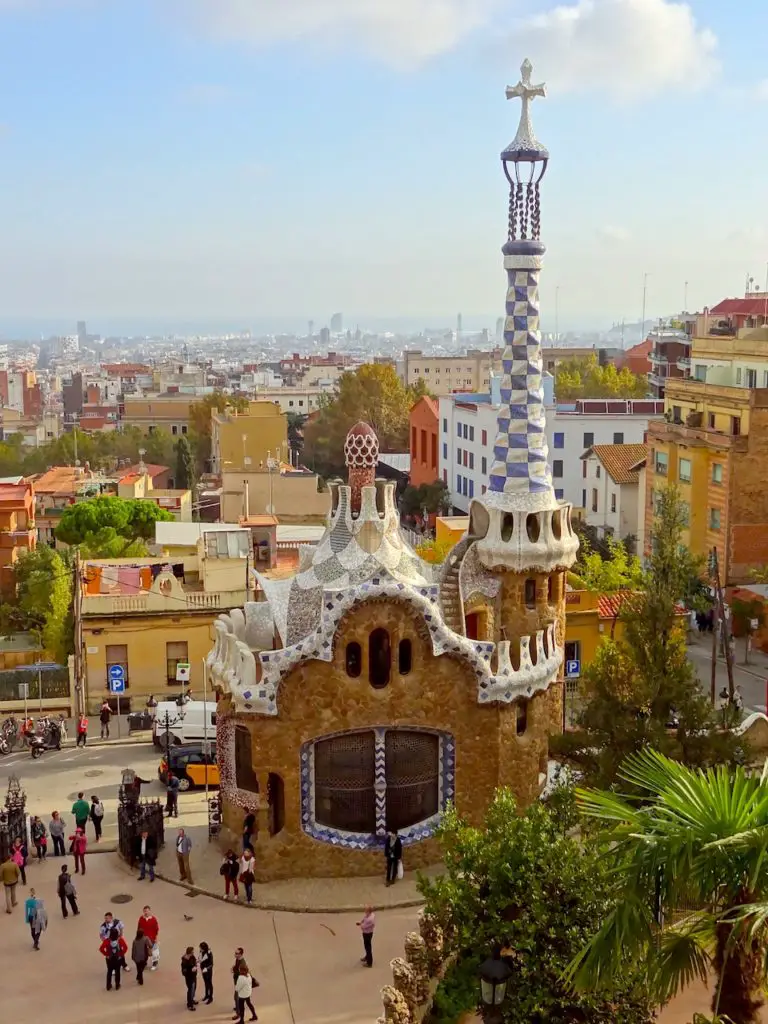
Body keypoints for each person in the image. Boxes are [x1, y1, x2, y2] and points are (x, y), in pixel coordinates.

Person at [100, 925, 127, 991]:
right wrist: (121, 954)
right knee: (117, 972)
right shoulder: (120, 940)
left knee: (109, 972)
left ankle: (108, 985)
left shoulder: (107, 941)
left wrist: (106, 954)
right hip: (118, 959)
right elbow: (126, 947)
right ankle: (117, 985)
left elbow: (101, 949)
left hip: (109, 959)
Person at [138, 905, 160, 970]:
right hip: (143, 939)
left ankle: (155, 964)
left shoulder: (153, 919)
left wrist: (156, 938)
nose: (146, 912)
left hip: (151, 938)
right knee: (144, 952)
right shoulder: (141, 919)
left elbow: (156, 929)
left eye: (147, 911)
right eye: (144, 911)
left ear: (150, 911)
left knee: (154, 952)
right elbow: (139, 928)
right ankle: (144, 963)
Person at [181, 946, 198, 1011]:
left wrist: (196, 964)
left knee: (194, 988)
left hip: (194, 976)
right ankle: (190, 1004)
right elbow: (184, 971)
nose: (193, 953)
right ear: (189, 953)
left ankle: (192, 999)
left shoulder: (192, 957)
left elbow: (195, 962)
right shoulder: (184, 961)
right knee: (190, 990)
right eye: (192, 952)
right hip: (189, 978)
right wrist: (191, 970)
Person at [231, 948, 247, 1014]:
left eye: (237, 954)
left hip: (239, 983)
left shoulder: (242, 963)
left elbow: (241, 974)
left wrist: (234, 971)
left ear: (241, 954)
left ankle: (238, 1012)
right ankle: (239, 1007)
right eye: (235, 953)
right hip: (237, 981)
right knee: (238, 997)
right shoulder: (237, 960)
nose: (235, 955)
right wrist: (234, 968)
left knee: (236, 997)